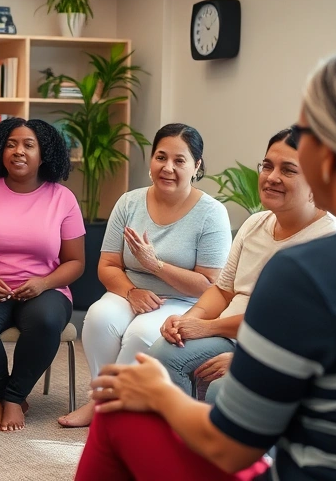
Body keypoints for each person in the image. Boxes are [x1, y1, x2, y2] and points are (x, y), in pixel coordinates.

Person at [77, 47, 336, 481]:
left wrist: (158, 394)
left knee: (120, 412)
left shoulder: (307, 271)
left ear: (325, 156)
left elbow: (231, 448)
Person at [148, 128, 336, 404]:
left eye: (288, 170)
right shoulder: (255, 224)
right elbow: (223, 291)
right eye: (268, 166)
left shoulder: (328, 238)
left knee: (221, 391)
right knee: (161, 356)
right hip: (230, 333)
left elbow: (292, 324)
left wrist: (211, 330)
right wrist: (188, 321)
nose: (272, 177)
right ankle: (180, 443)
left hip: (278, 347)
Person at [60, 123, 232, 428]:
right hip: (130, 292)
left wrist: (155, 265)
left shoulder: (211, 213)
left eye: (180, 161)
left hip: (183, 301)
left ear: (196, 166)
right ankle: (107, 396)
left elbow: (209, 285)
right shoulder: (129, 202)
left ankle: (102, 405)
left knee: (140, 333)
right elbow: (108, 265)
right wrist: (131, 292)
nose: (168, 168)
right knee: (99, 318)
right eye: (161, 157)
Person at [0, 117, 86, 432]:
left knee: (45, 321)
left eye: (29, 144)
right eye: (11, 144)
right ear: (0, 150)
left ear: (44, 154)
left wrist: (44, 283)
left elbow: (75, 262)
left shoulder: (62, 198)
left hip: (46, 289)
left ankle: (12, 397)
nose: (19, 151)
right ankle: (5, 394)